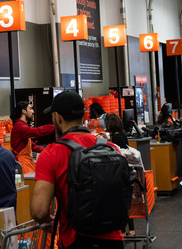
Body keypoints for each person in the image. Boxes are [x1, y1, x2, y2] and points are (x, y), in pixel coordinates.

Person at [31, 91, 124, 249]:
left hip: (76, 240)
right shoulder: (110, 147)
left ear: (57, 117)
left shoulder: (52, 153)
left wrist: (48, 220)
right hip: (114, 240)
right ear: (82, 116)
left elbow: (39, 211)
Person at [104, 113, 143, 237]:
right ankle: (130, 229)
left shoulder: (114, 139)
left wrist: (107, 140)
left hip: (118, 172)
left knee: (120, 203)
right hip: (127, 172)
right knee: (127, 202)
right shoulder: (123, 135)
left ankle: (121, 230)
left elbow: (115, 150)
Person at [10, 100, 55, 173]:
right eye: (30, 109)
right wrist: (56, 126)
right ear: (24, 111)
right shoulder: (19, 127)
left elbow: (32, 146)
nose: (33, 111)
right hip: (23, 163)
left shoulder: (22, 126)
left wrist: (46, 150)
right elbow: (37, 131)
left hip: (27, 161)